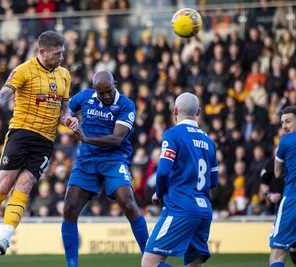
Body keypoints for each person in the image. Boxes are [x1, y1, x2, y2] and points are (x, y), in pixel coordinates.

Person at [0, 30, 78, 263]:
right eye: (57, 54)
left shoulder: (64, 75)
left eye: (62, 53)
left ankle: (4, 238)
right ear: (42, 52)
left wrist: (69, 119)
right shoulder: (23, 70)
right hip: (21, 133)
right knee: (4, 185)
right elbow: (4, 96)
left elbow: (63, 110)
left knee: (25, 186)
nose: (61, 58)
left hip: (45, 140)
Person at [61, 71, 149, 267]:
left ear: (115, 84)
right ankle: (72, 265)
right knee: (69, 208)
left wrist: (86, 139)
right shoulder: (84, 97)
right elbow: (66, 109)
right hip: (87, 161)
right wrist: (69, 119)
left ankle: (151, 261)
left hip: (114, 159)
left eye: (109, 91)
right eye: (102, 93)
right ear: (95, 90)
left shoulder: (126, 105)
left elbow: (117, 139)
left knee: (128, 204)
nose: (107, 96)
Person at [142, 92, 219, 267]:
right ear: (198, 111)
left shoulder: (173, 135)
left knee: (149, 263)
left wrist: (160, 192)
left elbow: (162, 173)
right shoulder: (209, 141)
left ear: (175, 110)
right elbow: (213, 182)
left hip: (180, 207)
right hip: (204, 211)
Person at [269, 106, 296, 267]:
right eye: (282, 122)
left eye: (288, 121)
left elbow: (277, 173)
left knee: (277, 254)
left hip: (292, 199)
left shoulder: (285, 141)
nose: (285, 126)